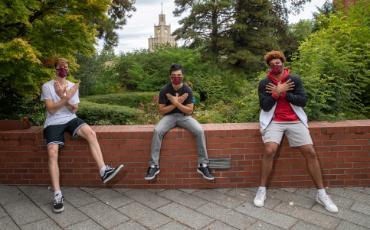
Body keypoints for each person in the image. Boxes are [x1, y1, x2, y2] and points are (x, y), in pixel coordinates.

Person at [254, 51, 338, 213]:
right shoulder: (264, 83)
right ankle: (261, 189)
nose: (275, 66)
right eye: (272, 64)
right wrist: (276, 93)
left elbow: (303, 101)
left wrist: (285, 92)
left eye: (278, 63)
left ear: (283, 63)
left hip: (294, 121)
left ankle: (321, 194)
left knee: (310, 152)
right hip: (274, 121)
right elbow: (264, 106)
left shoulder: (294, 80)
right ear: (269, 67)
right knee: (269, 149)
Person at [41, 58, 124, 213]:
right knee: (52, 152)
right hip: (53, 122)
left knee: (90, 133)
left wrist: (64, 98)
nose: (64, 69)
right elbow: (51, 110)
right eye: (61, 67)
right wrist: (64, 97)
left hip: (70, 119)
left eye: (66, 66)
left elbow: (74, 110)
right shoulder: (47, 86)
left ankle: (103, 171)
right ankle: (57, 194)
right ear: (55, 69)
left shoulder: (72, 86)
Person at [144, 64, 214, 181]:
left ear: (183, 76)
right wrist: (176, 103)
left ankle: (203, 164)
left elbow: (189, 110)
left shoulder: (187, 90)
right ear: (170, 77)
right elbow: (162, 111)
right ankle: (153, 165)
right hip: (169, 117)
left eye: (179, 75)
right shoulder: (165, 90)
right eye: (174, 76)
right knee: (157, 131)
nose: (176, 78)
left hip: (184, 117)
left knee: (199, 130)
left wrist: (176, 103)